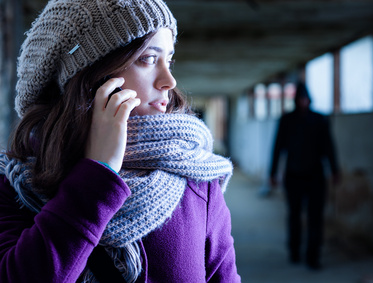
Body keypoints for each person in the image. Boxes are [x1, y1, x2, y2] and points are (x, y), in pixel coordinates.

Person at [0, 0, 241, 282]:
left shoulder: (196, 181)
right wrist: (98, 171)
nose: (169, 80)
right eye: (148, 59)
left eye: (169, 60)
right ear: (91, 77)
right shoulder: (14, 184)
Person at [269, 81, 340, 270]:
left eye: (305, 98)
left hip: (315, 176)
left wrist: (335, 171)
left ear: (309, 99)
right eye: (300, 98)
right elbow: (277, 148)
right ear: (295, 100)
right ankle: (294, 251)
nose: (303, 102)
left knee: (315, 217)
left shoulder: (320, 120)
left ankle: (313, 256)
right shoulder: (287, 120)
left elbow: (329, 147)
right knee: (294, 215)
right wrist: (273, 173)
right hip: (293, 175)